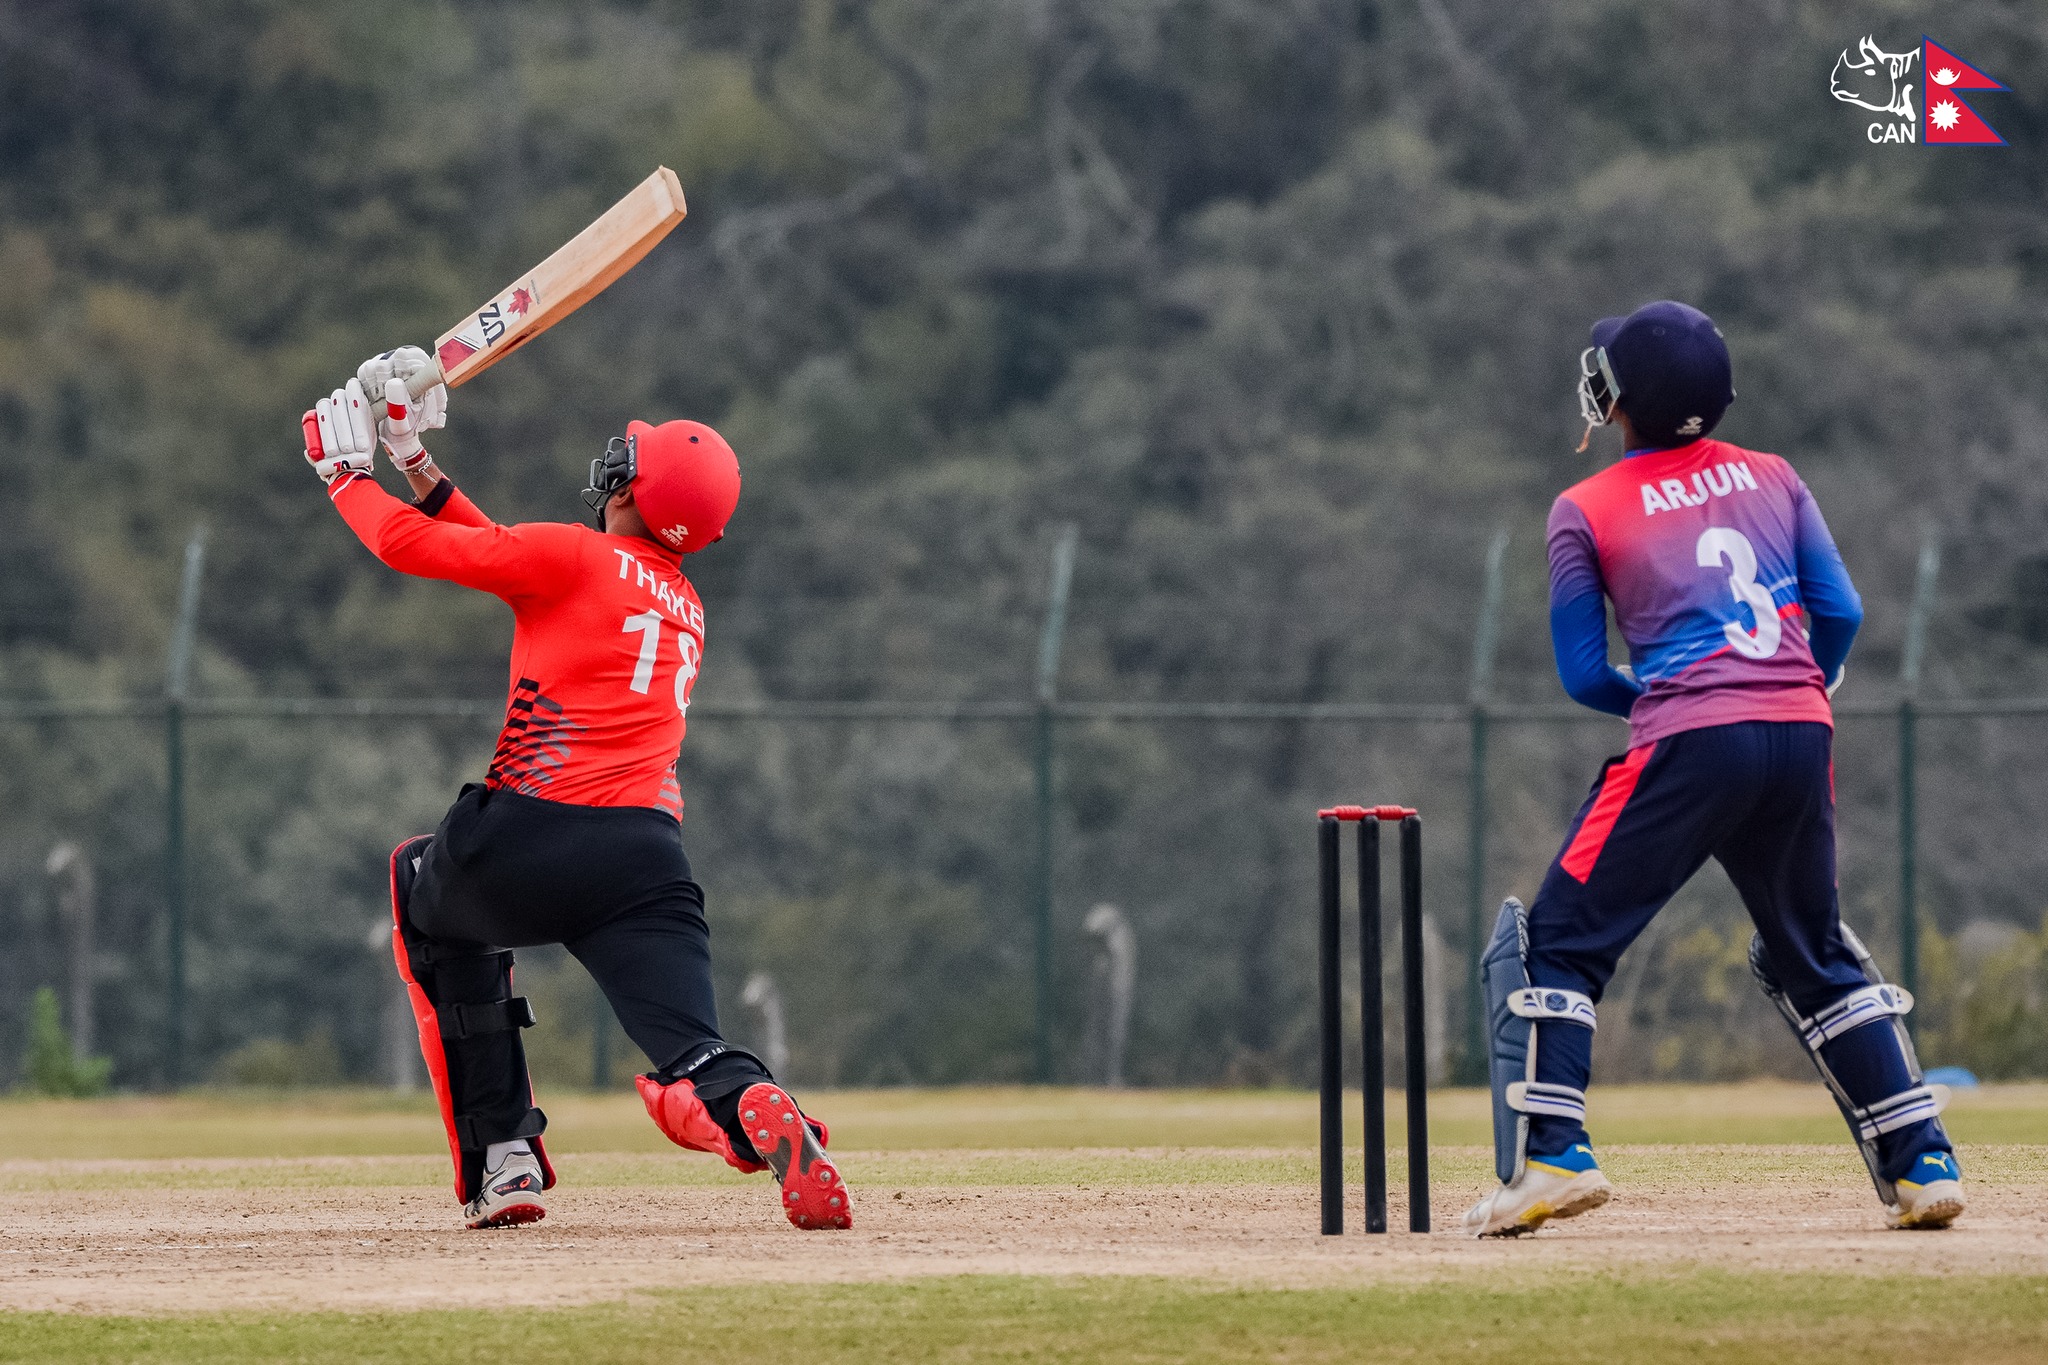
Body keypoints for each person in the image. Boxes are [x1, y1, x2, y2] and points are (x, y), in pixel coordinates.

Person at [301, 351, 852, 1232]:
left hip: (527, 836)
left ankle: (504, 1154)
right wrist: (414, 463)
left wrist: (343, 472)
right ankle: (753, 1109)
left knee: (424, 887)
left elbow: (422, 547)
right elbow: (515, 564)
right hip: (644, 861)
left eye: (627, 468)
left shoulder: (572, 555)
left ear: (635, 496)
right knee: (691, 1050)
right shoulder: (681, 604)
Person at [1463, 302, 1964, 1237]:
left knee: (1559, 940)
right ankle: (1922, 1161)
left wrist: (1671, 707)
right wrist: (1798, 682)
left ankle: (1551, 1155)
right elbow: (1840, 608)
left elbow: (1582, 675)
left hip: (1690, 740)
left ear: (1614, 399)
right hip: (1799, 730)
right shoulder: (1773, 475)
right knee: (1811, 949)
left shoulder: (1586, 507)